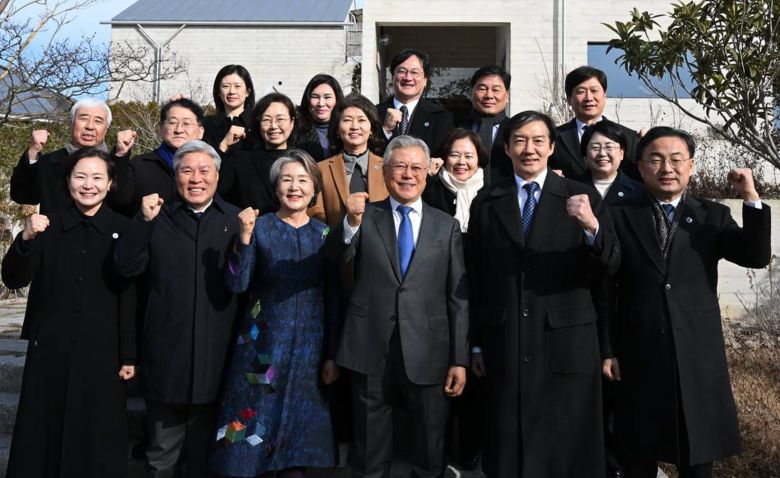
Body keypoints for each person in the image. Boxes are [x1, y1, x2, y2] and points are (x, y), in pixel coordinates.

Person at [605, 127, 771, 478]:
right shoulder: (618, 214)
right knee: (637, 453)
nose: (667, 168)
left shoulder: (712, 215)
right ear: (640, 167)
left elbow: (755, 256)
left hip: (696, 352)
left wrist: (751, 196)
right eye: (656, 160)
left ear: (691, 166)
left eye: (676, 159)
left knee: (697, 454)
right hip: (638, 349)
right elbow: (604, 286)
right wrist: (608, 349)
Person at [467, 110, 620, 477]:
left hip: (567, 341)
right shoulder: (487, 200)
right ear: (506, 147)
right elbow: (475, 276)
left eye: (538, 140)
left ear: (552, 147)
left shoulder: (581, 195)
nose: (529, 149)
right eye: (519, 141)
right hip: (505, 338)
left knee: (565, 445)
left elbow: (611, 267)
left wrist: (591, 228)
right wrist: (475, 344)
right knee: (508, 444)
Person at [326, 135, 469, 478]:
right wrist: (350, 223)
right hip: (369, 345)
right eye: (400, 166)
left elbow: (457, 297)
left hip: (430, 349)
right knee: (369, 450)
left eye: (416, 167)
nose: (408, 174)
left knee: (429, 448)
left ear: (427, 173)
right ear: (385, 171)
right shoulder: (364, 215)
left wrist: (459, 358)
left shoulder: (446, 225)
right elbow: (336, 259)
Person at [2, 148, 136, 478]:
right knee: (42, 437)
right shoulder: (48, 227)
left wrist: (129, 355)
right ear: (67, 181)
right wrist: (25, 238)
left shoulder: (124, 229)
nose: (88, 185)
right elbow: (14, 278)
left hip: (103, 353)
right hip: (50, 348)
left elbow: (130, 296)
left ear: (110, 184)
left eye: (97, 177)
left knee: (97, 439)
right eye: (80, 176)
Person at [114, 140, 241, 478]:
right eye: (186, 171)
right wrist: (142, 222)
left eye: (204, 170)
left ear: (217, 176)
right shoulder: (156, 216)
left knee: (209, 458)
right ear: (175, 176)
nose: (196, 178)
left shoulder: (235, 220)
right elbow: (125, 267)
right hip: (166, 357)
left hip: (218, 360)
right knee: (161, 457)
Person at [210, 150, 337, 477]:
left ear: (314, 188)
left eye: (303, 180)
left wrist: (332, 353)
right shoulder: (260, 227)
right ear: (275, 186)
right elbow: (237, 283)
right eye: (286, 180)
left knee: (299, 429)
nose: (294, 188)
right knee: (253, 420)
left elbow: (334, 296)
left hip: (310, 350)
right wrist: (244, 238)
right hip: (261, 345)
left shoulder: (324, 234)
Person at [10, 98, 135, 214]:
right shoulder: (50, 162)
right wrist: (33, 152)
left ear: (106, 129)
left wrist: (121, 155)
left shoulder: (117, 163)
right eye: (83, 119)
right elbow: (22, 196)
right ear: (72, 123)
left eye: (98, 121)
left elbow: (122, 201)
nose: (90, 126)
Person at [112, 98, 206, 216]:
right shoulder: (140, 165)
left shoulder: (209, 168)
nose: (179, 130)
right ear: (161, 128)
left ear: (200, 132)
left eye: (186, 123)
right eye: (172, 123)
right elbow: (119, 201)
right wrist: (120, 156)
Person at [309, 92, 388, 228]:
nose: (354, 126)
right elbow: (316, 213)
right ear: (337, 129)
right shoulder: (321, 169)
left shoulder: (387, 167)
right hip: (338, 239)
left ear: (372, 129)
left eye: (361, 120)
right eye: (347, 120)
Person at [550, 66, 640, 181]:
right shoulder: (554, 137)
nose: (589, 98)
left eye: (594, 91)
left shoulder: (629, 137)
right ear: (569, 99)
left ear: (604, 96)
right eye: (581, 92)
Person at [219, 92, 296, 213]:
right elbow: (217, 192)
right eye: (266, 120)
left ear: (292, 123)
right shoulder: (241, 161)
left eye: (280, 119)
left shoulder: (302, 161)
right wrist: (223, 146)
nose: (273, 126)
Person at [376, 48, 454, 154]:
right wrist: (386, 130)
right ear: (393, 76)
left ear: (425, 80)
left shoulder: (441, 117)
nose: (408, 78)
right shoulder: (374, 114)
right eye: (402, 71)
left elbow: (446, 154)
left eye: (414, 72)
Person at [460, 65, 513, 184]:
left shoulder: (515, 130)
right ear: (471, 93)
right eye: (482, 89)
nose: (489, 95)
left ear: (507, 96)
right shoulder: (455, 126)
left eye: (496, 90)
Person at [579, 120, 644, 205]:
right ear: (585, 153)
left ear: (621, 153)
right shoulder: (571, 190)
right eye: (595, 147)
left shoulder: (641, 193)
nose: (602, 153)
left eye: (609, 147)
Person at [203, 64, 255, 153]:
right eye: (225, 86)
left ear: (248, 92)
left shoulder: (257, 123)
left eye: (237, 86)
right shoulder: (207, 125)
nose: (232, 91)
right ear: (219, 92)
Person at [294, 74, 345, 161]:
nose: (321, 103)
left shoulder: (346, 129)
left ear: (337, 100)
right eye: (315, 97)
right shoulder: (296, 130)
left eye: (327, 97)